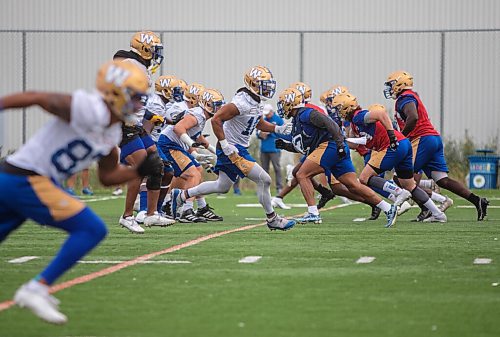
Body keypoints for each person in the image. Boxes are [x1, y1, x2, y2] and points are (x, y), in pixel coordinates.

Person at [0, 61, 161, 324]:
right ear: (116, 93)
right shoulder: (90, 108)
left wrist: (138, 170)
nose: (139, 105)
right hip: (25, 178)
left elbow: (108, 176)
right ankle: (37, 288)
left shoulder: (110, 131)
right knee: (91, 229)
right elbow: (36, 97)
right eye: (135, 97)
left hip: (18, 181)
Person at [171, 65, 296, 231]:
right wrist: (225, 144)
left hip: (236, 148)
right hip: (233, 149)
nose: (267, 89)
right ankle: (272, 218)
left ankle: (182, 195)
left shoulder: (255, 101)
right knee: (264, 179)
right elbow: (216, 119)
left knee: (222, 186)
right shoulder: (241, 102)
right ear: (253, 84)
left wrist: (277, 129)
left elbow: (256, 122)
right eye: (263, 85)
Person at [275, 88, 398, 227]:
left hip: (332, 146)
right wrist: (285, 146)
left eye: (283, 103)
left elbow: (331, 124)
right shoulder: (298, 120)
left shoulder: (306, 114)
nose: (281, 106)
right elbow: (303, 146)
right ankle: (388, 208)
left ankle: (313, 213)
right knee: (353, 185)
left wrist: (339, 143)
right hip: (335, 147)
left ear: (291, 103)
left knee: (301, 174)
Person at [384, 70, 488, 220]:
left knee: (400, 179)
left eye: (392, 84)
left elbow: (413, 117)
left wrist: (401, 136)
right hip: (432, 138)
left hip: (422, 139)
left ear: (400, 83)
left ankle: (428, 209)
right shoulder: (410, 97)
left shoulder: (405, 98)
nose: (390, 88)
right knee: (442, 180)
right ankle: (477, 201)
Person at [332, 94, 447, 222]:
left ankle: (398, 192)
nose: (337, 112)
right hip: (403, 144)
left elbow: (381, 114)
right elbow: (357, 143)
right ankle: (438, 214)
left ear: (346, 107)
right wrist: (338, 141)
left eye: (338, 108)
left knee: (364, 178)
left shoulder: (359, 116)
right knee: (410, 185)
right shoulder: (354, 122)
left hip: (392, 145)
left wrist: (391, 136)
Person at [113, 31, 173, 233]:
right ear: (144, 48)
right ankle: (127, 216)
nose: (156, 54)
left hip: (136, 124)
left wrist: (148, 115)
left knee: (158, 165)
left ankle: (151, 214)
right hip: (125, 124)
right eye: (153, 49)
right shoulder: (131, 63)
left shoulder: (141, 67)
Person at [157, 88, 224, 222]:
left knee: (198, 170)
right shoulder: (198, 114)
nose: (218, 109)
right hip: (168, 144)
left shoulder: (202, 115)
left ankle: (173, 204)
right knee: (192, 174)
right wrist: (191, 144)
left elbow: (197, 135)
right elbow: (178, 128)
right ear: (206, 104)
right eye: (215, 105)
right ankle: (185, 210)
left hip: (175, 144)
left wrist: (214, 151)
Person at [257, 104, 284, 194]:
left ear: (272, 111)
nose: (267, 115)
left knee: (277, 168)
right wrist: (261, 134)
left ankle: (279, 187)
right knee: (264, 169)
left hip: (274, 148)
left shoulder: (278, 120)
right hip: (264, 149)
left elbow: (282, 132)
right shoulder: (263, 120)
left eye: (268, 113)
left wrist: (271, 132)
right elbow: (257, 133)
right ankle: (264, 187)